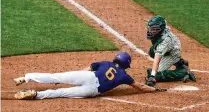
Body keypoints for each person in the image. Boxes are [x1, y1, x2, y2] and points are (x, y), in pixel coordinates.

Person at [14, 52, 166, 100]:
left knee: (57, 77)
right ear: (126, 64)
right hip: (93, 91)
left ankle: (26, 77)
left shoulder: (106, 63)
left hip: (87, 76)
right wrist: (153, 90)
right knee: (61, 93)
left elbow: (86, 69)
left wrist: (70, 77)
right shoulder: (125, 76)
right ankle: (36, 95)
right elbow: (139, 86)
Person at [145, 15, 196, 87]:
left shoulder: (164, 42)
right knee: (151, 52)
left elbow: (157, 59)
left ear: (161, 29)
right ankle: (181, 63)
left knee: (158, 75)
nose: (151, 31)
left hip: (173, 52)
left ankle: (184, 72)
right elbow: (162, 21)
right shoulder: (163, 26)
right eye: (151, 29)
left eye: (154, 29)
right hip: (172, 44)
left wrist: (152, 76)